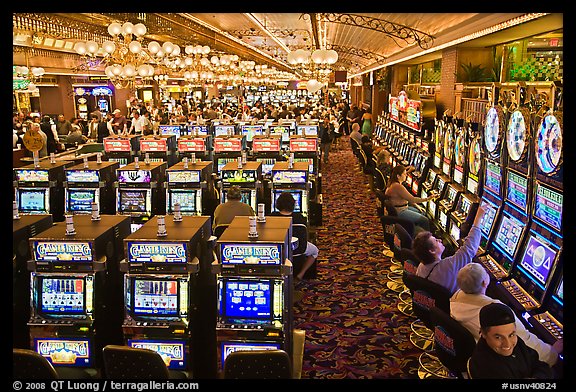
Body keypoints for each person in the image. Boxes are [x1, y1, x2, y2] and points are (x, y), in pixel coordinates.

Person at [451, 263, 562, 367]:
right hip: (503, 363)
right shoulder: (496, 311)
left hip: (481, 357)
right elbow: (525, 342)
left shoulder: (455, 299)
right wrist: (552, 353)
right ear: (485, 282)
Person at [412, 204, 487, 294]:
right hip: (453, 304)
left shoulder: (421, 266)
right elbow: (469, 248)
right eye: (436, 241)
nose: (439, 240)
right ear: (432, 251)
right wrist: (478, 219)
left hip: (433, 304)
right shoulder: (447, 266)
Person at [468, 303, 555, 379]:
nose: (507, 344)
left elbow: (541, 365)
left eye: (511, 335)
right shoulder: (487, 369)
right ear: (483, 334)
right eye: (498, 337)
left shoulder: (517, 343)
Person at [271, 192, 318, 282]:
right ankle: (300, 274)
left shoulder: (272, 217)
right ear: (293, 204)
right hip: (298, 249)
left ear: (277, 204)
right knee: (315, 251)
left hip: (277, 250)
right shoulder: (300, 218)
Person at [385, 164, 436, 232]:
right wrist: (428, 199)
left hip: (401, 208)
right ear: (398, 176)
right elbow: (412, 199)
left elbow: (407, 198)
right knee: (424, 220)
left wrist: (417, 206)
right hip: (400, 211)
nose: (406, 175)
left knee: (423, 212)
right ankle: (426, 239)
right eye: (404, 174)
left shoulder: (394, 183)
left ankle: (416, 231)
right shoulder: (397, 186)